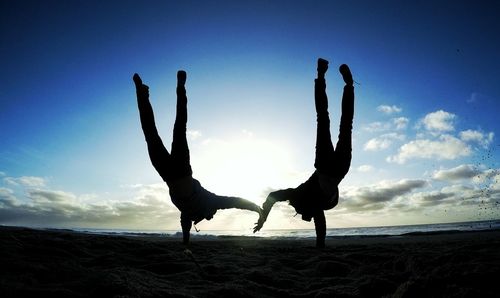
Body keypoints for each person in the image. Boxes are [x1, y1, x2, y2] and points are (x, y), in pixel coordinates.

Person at [133, 70, 262, 245]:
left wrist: (186, 244)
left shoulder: (188, 213)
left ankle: (141, 92)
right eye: (210, 217)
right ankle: (180, 87)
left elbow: (186, 225)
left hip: (167, 173)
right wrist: (255, 208)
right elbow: (234, 201)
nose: (210, 217)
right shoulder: (212, 202)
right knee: (177, 127)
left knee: (152, 132)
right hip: (180, 170)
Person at [253, 58, 354, 248]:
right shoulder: (310, 203)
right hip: (335, 167)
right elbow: (274, 196)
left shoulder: (299, 197)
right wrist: (264, 217)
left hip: (331, 167)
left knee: (331, 121)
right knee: (333, 122)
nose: (302, 214)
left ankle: (330, 78)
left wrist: (263, 217)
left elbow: (274, 196)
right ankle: (342, 83)